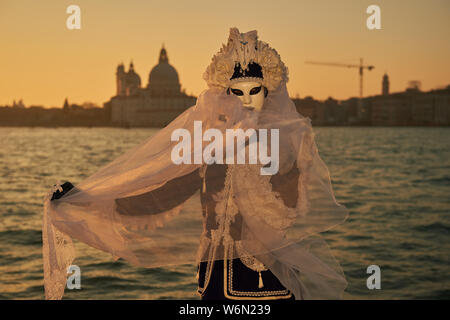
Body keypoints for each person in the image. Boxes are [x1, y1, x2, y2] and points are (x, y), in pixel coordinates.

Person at [44, 27, 348, 300]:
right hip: (214, 279)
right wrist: (85, 198)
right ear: (225, 94)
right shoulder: (210, 146)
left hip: (263, 281)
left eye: (254, 91)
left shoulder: (283, 146)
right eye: (236, 92)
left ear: (267, 92)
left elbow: (287, 209)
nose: (245, 101)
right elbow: (164, 195)